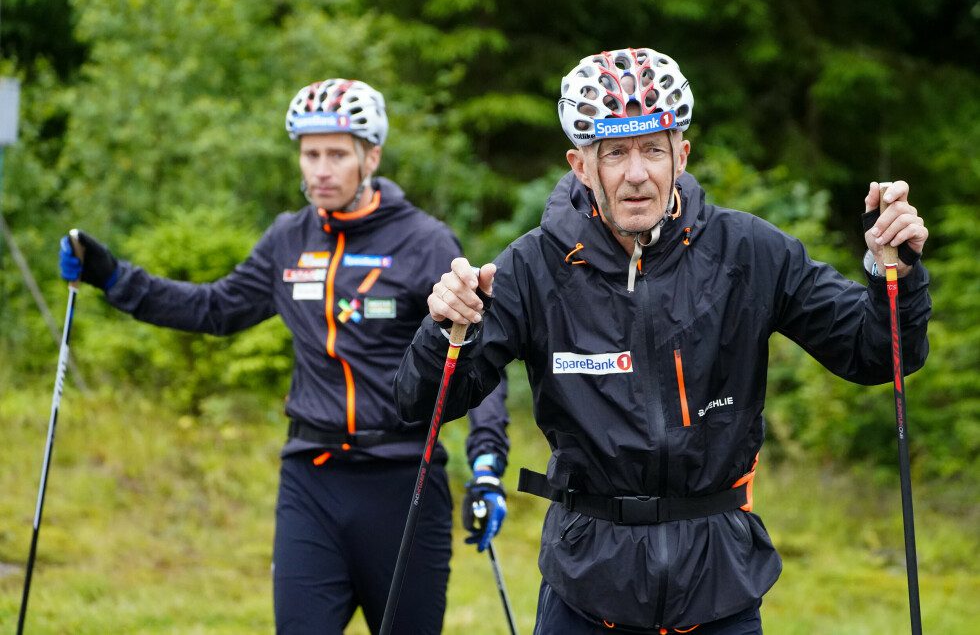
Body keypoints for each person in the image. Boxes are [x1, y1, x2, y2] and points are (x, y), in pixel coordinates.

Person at [394, 48, 931, 634]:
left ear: (682, 154)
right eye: (615, 152)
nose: (636, 173)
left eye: (653, 148)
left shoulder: (749, 251)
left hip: (719, 585)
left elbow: (877, 353)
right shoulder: (534, 267)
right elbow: (424, 404)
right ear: (580, 165)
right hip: (587, 589)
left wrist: (892, 275)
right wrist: (447, 330)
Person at [58, 78, 511, 634]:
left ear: (371, 156)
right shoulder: (288, 239)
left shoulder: (424, 240)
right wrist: (113, 277)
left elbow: (474, 360)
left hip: (401, 481)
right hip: (311, 479)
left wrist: (487, 466)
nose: (320, 169)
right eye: (309, 152)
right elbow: (214, 309)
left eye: (336, 154)